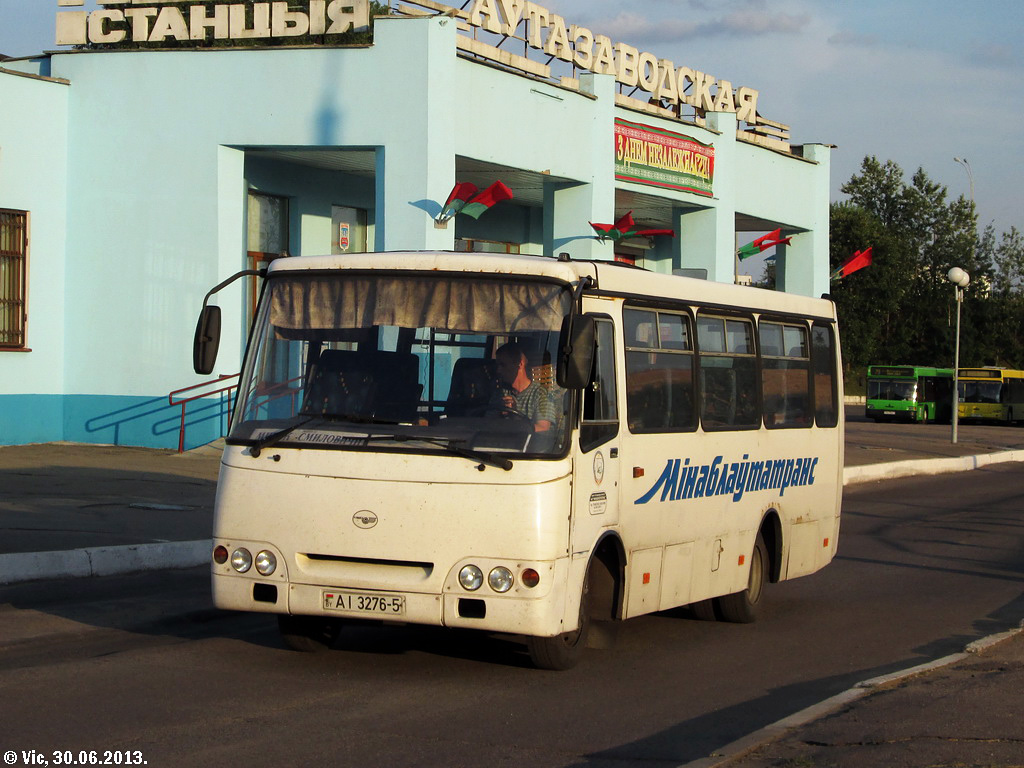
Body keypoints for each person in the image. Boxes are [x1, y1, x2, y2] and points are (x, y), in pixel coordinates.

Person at [493, 342, 557, 432]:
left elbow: (543, 428)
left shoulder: (541, 394)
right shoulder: (499, 393)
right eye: (498, 365)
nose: (498, 370)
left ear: (520, 364)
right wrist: (498, 412)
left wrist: (516, 416)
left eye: (503, 365)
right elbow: (487, 424)